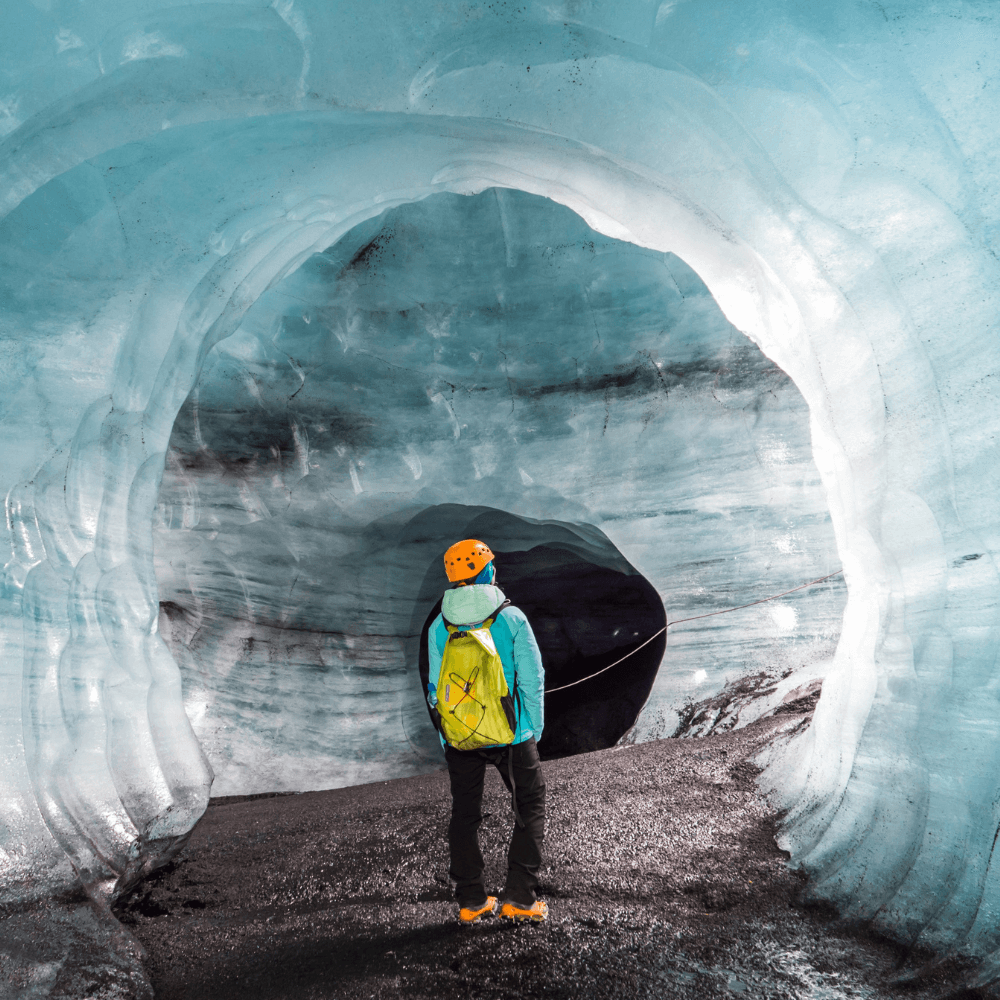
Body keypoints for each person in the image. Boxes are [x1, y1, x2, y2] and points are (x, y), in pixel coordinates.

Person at [426, 538, 548, 925]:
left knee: (465, 815)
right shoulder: (510, 617)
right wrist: (532, 728)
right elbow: (532, 678)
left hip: (461, 737)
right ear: (486, 570)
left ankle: (472, 902)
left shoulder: (438, 626)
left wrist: (447, 735)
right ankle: (520, 899)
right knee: (528, 807)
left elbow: (435, 689)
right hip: (511, 734)